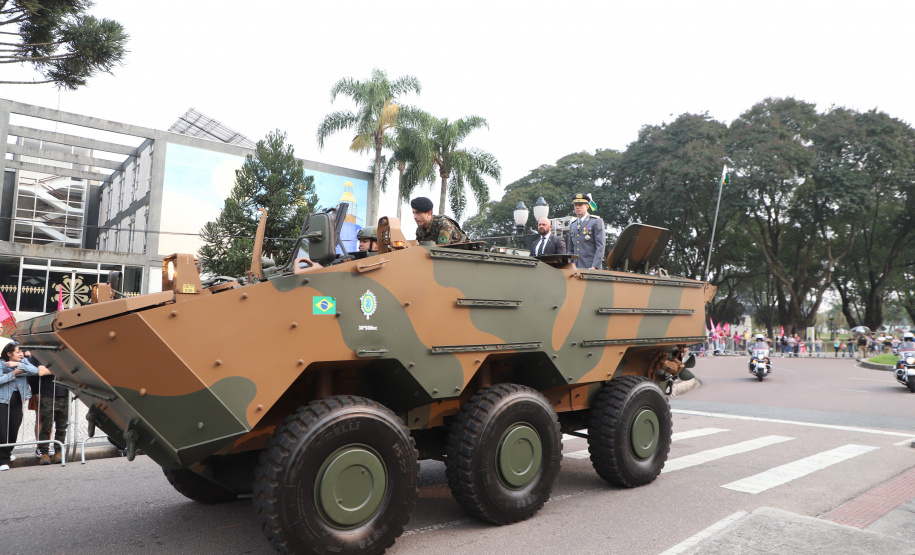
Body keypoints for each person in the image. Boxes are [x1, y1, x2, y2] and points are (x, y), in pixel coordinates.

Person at [0, 340, 39, 471]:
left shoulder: (23, 362)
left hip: (18, 399)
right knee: (2, 430)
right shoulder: (1, 363)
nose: (21, 354)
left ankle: (7, 452)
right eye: (18, 352)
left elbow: (35, 371)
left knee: (14, 428)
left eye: (21, 351)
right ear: (9, 353)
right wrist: (13, 373)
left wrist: (18, 364)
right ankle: (3, 460)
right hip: (2, 400)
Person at [26, 350, 68, 465]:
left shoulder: (64, 353)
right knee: (46, 426)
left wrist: (55, 369)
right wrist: (62, 369)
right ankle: (44, 452)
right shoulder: (40, 354)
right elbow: (41, 372)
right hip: (47, 394)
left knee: (62, 426)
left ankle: (58, 451)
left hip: (64, 393)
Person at [565, 193, 605, 269]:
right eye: (575, 205)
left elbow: (600, 247)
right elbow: (570, 248)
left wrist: (595, 266)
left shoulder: (596, 221)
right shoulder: (573, 225)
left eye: (580, 205)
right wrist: (569, 264)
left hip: (590, 267)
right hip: (575, 268)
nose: (577, 207)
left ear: (587, 206)